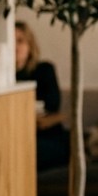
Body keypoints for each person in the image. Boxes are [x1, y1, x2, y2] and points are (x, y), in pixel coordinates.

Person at [14, 22, 69, 171]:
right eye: (11, 41)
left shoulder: (44, 70)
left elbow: (52, 106)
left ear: (30, 45)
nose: (15, 47)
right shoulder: (3, 80)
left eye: (20, 41)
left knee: (25, 149)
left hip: (47, 137)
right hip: (17, 136)